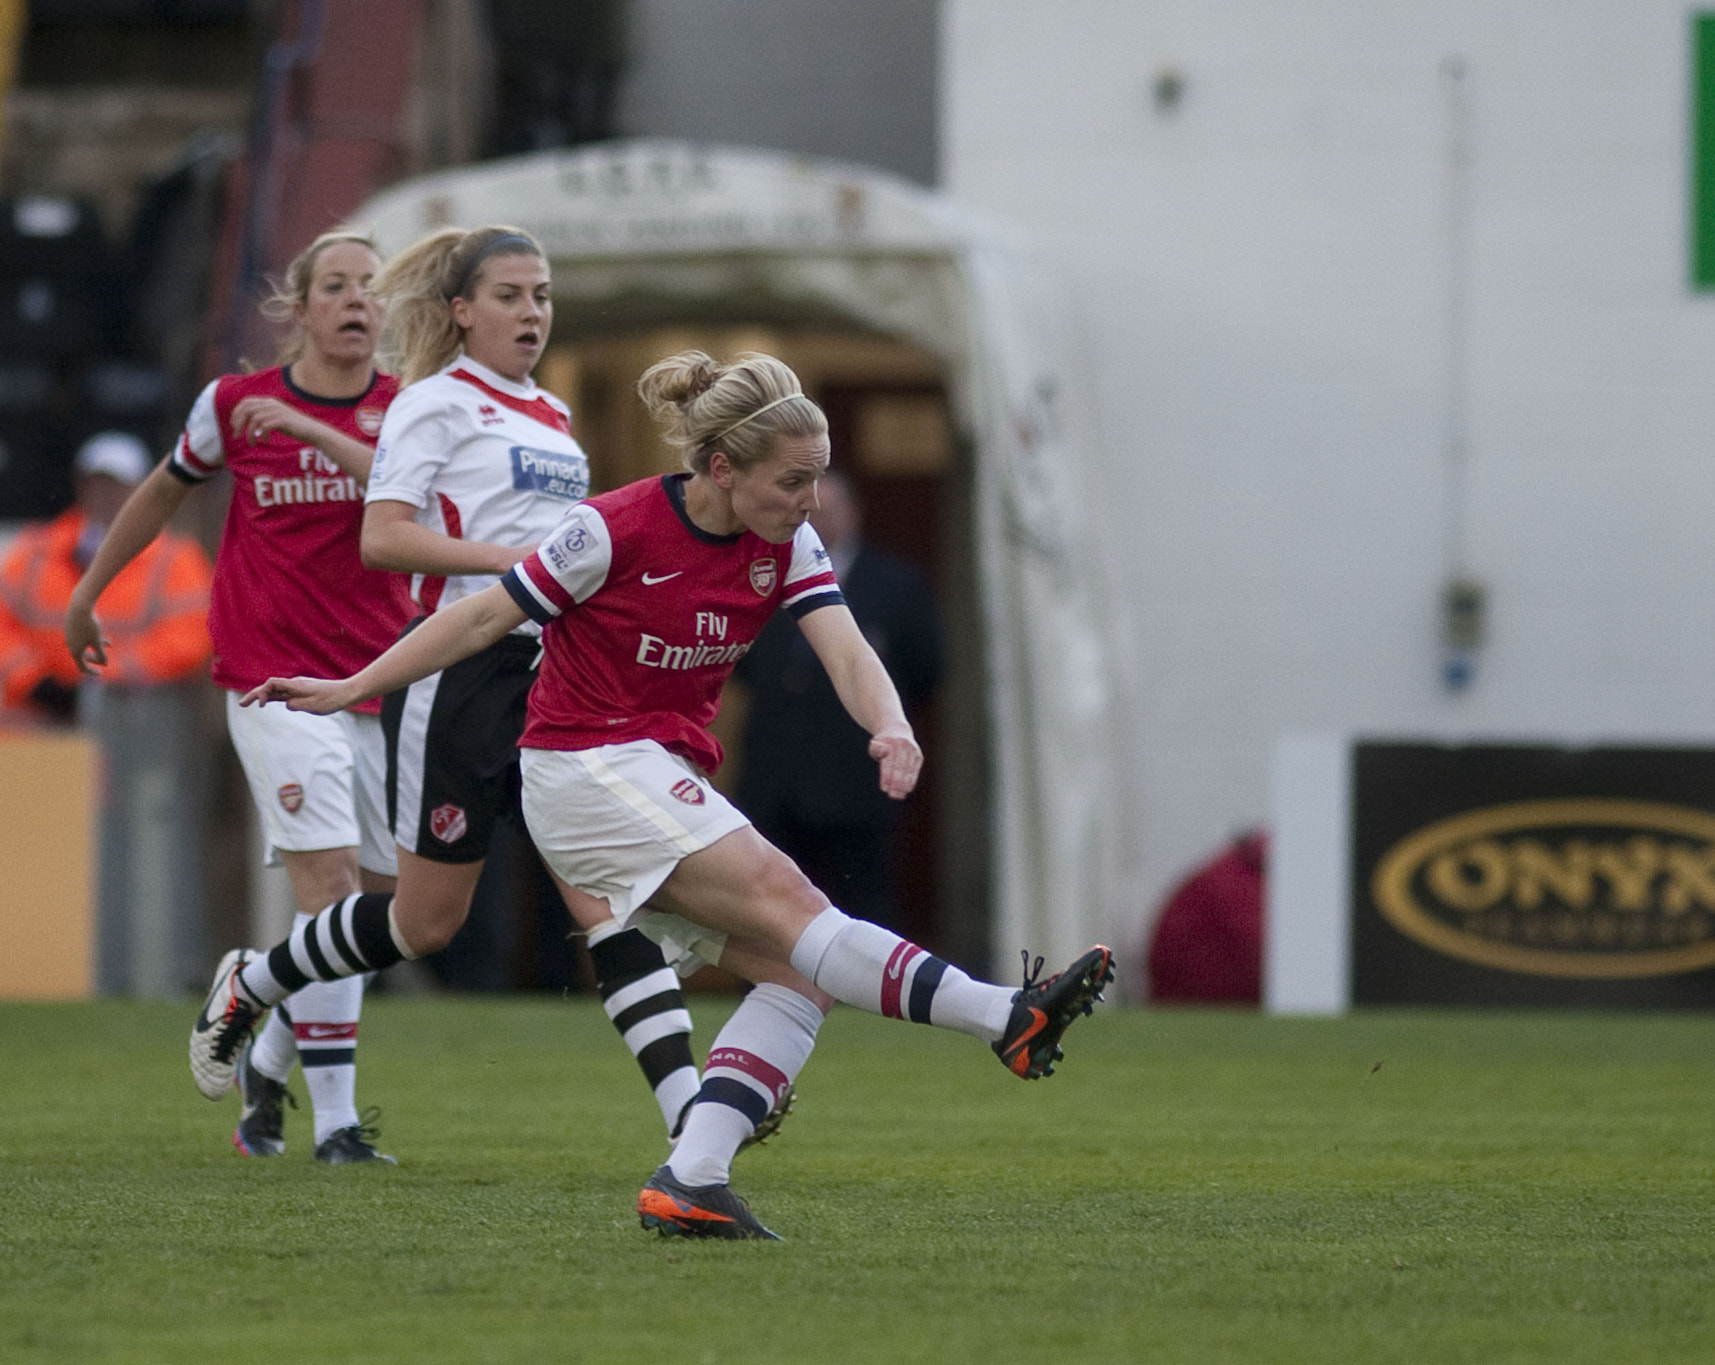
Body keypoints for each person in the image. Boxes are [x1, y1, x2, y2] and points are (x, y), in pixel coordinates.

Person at [223, 349, 1114, 1240]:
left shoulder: (787, 539)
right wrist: (346, 687)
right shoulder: (612, 529)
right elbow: (482, 615)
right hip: (580, 767)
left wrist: (892, 724)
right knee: (794, 907)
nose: (811, 501)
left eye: (818, 477)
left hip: (653, 770)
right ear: (722, 470)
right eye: (793, 480)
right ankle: (1005, 1014)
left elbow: (846, 650)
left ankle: (693, 1175)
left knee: (798, 976)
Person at [182, 225, 722, 1151]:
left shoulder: (552, 416)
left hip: (556, 680)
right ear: (462, 311)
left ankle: (695, 1120)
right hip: (458, 674)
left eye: (543, 295)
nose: (532, 312)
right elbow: (383, 539)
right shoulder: (430, 404)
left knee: (606, 897)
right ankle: (258, 983)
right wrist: (519, 565)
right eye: (510, 295)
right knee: (424, 922)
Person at [65, 232, 410, 1163]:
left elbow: (407, 497)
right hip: (272, 682)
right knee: (333, 887)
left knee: (380, 913)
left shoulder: (407, 411)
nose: (355, 302)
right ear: (296, 308)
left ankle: (258, 1023)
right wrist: (88, 592)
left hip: (378, 683)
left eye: (371, 289)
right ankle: (337, 1125)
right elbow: (159, 493)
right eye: (335, 286)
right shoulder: (234, 403)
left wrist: (312, 433)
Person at [734, 468, 942, 934]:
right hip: (777, 776)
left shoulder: (895, 585)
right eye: (810, 512)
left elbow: (925, 669)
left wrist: (886, 723)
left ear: (856, 514)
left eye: (829, 511)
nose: (818, 523)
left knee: (864, 903)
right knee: (769, 905)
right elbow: (744, 662)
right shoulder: (760, 575)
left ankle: (874, 995)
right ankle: (771, 993)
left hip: (856, 778)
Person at [2, 431, 210, 724]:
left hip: (134, 721)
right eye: (96, 483)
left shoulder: (175, 558)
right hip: (38, 724)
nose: (106, 494)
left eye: (117, 485)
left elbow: (190, 639)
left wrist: (98, 681)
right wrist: (35, 682)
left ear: (142, 489)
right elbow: (4, 626)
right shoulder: (34, 552)